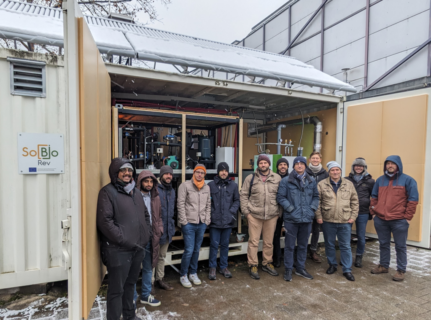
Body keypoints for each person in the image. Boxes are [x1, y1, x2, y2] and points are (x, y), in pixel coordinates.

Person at [97, 158, 150, 320]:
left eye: (129, 170)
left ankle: (129, 316)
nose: (127, 173)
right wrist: (124, 239)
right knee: (116, 290)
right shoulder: (108, 192)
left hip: (137, 249)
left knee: (130, 284)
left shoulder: (135, 192)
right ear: (115, 173)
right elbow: (105, 222)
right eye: (123, 170)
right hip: (118, 251)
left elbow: (145, 216)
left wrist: (146, 235)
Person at [370, 155, 418, 281]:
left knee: (400, 246)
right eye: (388, 163)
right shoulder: (380, 180)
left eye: (393, 163)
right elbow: (374, 197)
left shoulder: (408, 180)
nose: (390, 166)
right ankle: (384, 266)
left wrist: (407, 217)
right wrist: (374, 213)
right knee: (383, 244)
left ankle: (401, 270)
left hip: (399, 221)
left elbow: (413, 200)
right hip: (381, 219)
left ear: (398, 165)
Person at [277, 156, 319, 282]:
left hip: (306, 219)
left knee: (303, 245)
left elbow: (316, 197)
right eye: (297, 164)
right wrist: (290, 209)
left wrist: (312, 209)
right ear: (294, 166)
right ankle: (288, 269)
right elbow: (280, 197)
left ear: (305, 166)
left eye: (302, 164)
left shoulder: (311, 181)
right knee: (289, 246)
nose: (299, 166)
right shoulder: (286, 181)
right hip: (291, 220)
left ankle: (300, 268)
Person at [316, 161, 359, 281]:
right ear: (329, 172)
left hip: (345, 220)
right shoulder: (321, 184)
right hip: (327, 220)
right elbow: (317, 202)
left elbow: (355, 201)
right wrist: (319, 216)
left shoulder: (349, 184)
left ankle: (347, 269)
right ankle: (332, 265)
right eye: (332, 170)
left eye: (337, 170)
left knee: (345, 245)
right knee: (329, 245)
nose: (335, 172)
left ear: (340, 171)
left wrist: (353, 216)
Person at [240, 154, 281, 280]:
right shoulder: (250, 178)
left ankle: (267, 263)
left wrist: (278, 212)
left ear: (269, 164)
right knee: (253, 241)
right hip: (255, 215)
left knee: (269, 242)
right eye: (261, 163)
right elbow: (243, 195)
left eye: (265, 162)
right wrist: (246, 212)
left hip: (271, 216)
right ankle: (253, 264)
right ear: (258, 165)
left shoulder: (277, 178)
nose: (263, 165)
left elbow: (281, 196)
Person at [177, 163, 211, 288]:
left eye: (202, 173)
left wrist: (207, 219)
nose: (200, 174)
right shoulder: (185, 185)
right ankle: (183, 275)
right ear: (194, 173)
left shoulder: (206, 188)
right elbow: (180, 204)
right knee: (189, 250)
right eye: (198, 172)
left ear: (204, 175)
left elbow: (208, 204)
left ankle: (193, 273)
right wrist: (184, 221)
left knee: (196, 250)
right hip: (189, 224)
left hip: (201, 223)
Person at [133, 170, 163, 307]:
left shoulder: (155, 197)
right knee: (133, 268)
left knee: (148, 267)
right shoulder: (133, 196)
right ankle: (132, 297)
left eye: (151, 181)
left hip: (152, 238)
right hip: (137, 239)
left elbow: (159, 216)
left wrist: (159, 229)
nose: (149, 184)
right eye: (146, 181)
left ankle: (145, 295)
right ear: (140, 182)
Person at [208, 162, 240, 280]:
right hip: (215, 221)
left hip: (228, 221)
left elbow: (237, 200)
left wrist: (231, 212)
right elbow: (208, 201)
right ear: (218, 172)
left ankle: (223, 267)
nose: (224, 172)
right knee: (214, 245)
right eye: (221, 170)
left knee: (225, 245)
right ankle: (212, 267)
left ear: (228, 172)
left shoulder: (233, 186)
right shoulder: (211, 185)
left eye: (226, 170)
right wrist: (212, 212)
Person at [345, 157, 375, 268]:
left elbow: (374, 196)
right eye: (356, 165)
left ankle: (358, 257)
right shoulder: (346, 179)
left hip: (363, 212)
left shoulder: (370, 181)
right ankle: (346, 257)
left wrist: (372, 210)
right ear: (353, 167)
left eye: (361, 166)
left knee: (361, 236)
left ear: (364, 167)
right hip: (348, 211)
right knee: (346, 235)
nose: (358, 167)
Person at [153, 165, 176, 291]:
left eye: (170, 174)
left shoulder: (172, 191)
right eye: (166, 174)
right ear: (161, 175)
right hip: (156, 231)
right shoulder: (155, 189)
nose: (169, 176)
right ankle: (149, 283)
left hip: (168, 230)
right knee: (152, 257)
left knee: (162, 256)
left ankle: (159, 279)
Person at [305, 151, 329, 263]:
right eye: (313, 158)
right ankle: (302, 250)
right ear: (309, 160)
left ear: (320, 160)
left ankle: (313, 251)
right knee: (305, 229)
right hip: (306, 206)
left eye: (317, 158)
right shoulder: (304, 172)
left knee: (315, 230)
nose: (315, 160)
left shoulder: (325, 174)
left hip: (319, 206)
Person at [272, 158, 289, 268]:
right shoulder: (273, 178)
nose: (282, 166)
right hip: (277, 211)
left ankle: (288, 258)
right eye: (280, 164)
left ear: (287, 166)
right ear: (277, 166)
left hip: (289, 212)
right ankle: (277, 257)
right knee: (276, 235)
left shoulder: (292, 177)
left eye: (284, 164)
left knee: (290, 236)